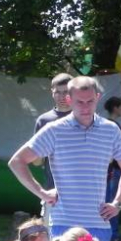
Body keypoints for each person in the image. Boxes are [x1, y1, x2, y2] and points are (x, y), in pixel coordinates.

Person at [9, 76, 121, 241]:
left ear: (98, 98)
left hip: (98, 223)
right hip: (63, 223)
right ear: (69, 100)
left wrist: (117, 203)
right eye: (79, 102)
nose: (85, 107)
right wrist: (41, 193)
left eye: (90, 101)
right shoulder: (54, 130)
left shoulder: (111, 130)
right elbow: (17, 161)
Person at [34, 73, 73, 224]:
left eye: (66, 92)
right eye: (58, 92)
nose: (62, 97)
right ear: (52, 92)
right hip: (52, 191)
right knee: (52, 239)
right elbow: (37, 162)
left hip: (81, 192)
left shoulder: (85, 117)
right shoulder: (44, 120)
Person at [103, 96, 121, 241]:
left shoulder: (110, 124)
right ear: (116, 108)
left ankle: (111, 232)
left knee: (110, 199)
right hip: (113, 169)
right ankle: (113, 234)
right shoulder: (112, 125)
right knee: (113, 201)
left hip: (112, 168)